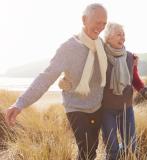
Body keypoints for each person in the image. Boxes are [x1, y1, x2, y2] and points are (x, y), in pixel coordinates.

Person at [5, 3, 108, 160]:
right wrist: (20, 103)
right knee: (87, 150)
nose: (100, 27)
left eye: (104, 23)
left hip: (97, 106)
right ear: (84, 19)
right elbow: (46, 77)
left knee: (91, 151)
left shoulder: (101, 45)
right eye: (97, 22)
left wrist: (132, 62)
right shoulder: (68, 48)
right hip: (76, 107)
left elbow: (117, 57)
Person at [58, 22, 147, 160]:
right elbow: (85, 71)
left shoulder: (130, 57)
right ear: (108, 38)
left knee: (131, 145)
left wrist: (144, 90)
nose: (123, 38)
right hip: (106, 110)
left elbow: (135, 79)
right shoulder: (100, 57)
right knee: (112, 149)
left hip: (127, 109)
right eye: (118, 34)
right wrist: (67, 80)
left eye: (124, 35)